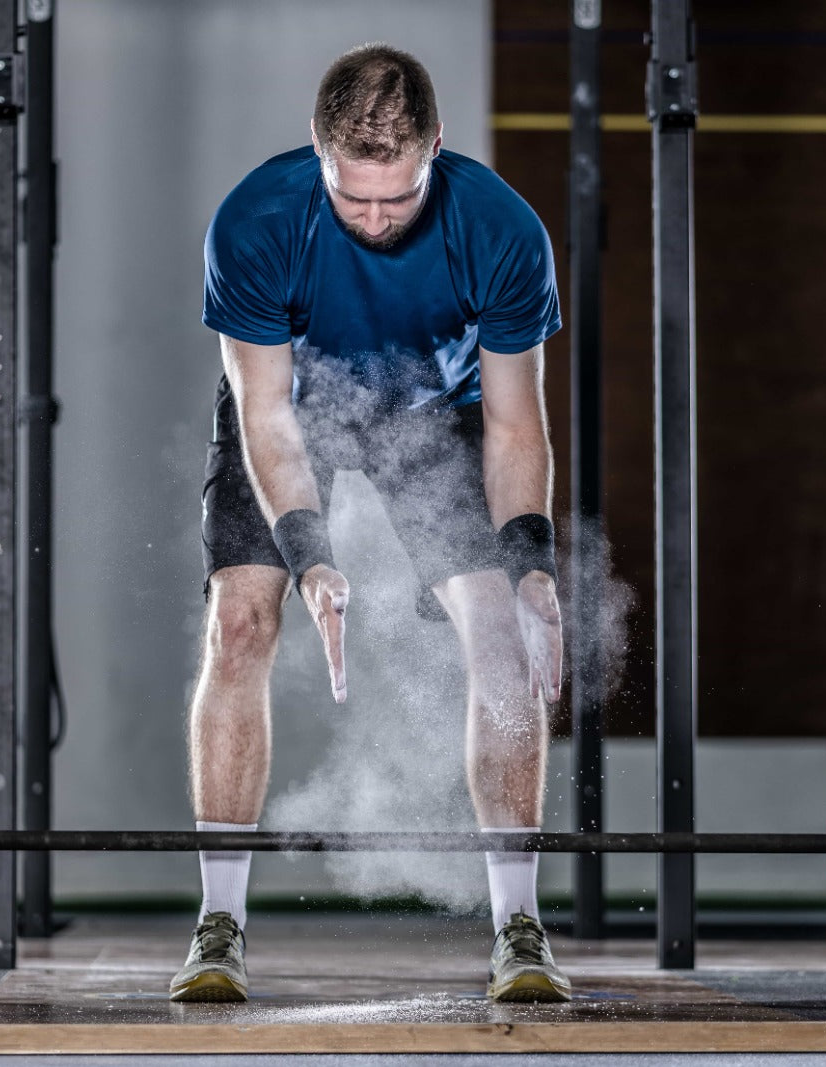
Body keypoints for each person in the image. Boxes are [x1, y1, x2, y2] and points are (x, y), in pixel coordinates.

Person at [171, 42, 569, 1004]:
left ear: (436, 146)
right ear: (319, 152)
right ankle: (218, 923)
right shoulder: (256, 223)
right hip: (298, 406)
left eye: (400, 195)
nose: (381, 218)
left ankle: (518, 924)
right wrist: (311, 557)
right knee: (241, 621)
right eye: (357, 200)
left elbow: (516, 425)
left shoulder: (503, 230)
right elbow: (265, 415)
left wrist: (532, 569)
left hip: (438, 412)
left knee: (503, 643)